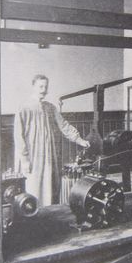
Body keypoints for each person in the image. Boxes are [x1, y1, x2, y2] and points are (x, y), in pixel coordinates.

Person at [14, 74, 90, 207]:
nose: (43, 90)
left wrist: (79, 140)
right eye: (40, 86)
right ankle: (33, 213)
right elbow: (18, 136)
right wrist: (25, 159)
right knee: (33, 187)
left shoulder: (50, 107)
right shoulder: (24, 107)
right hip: (32, 156)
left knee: (50, 186)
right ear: (33, 87)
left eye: (46, 87)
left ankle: (48, 213)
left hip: (48, 154)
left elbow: (64, 125)